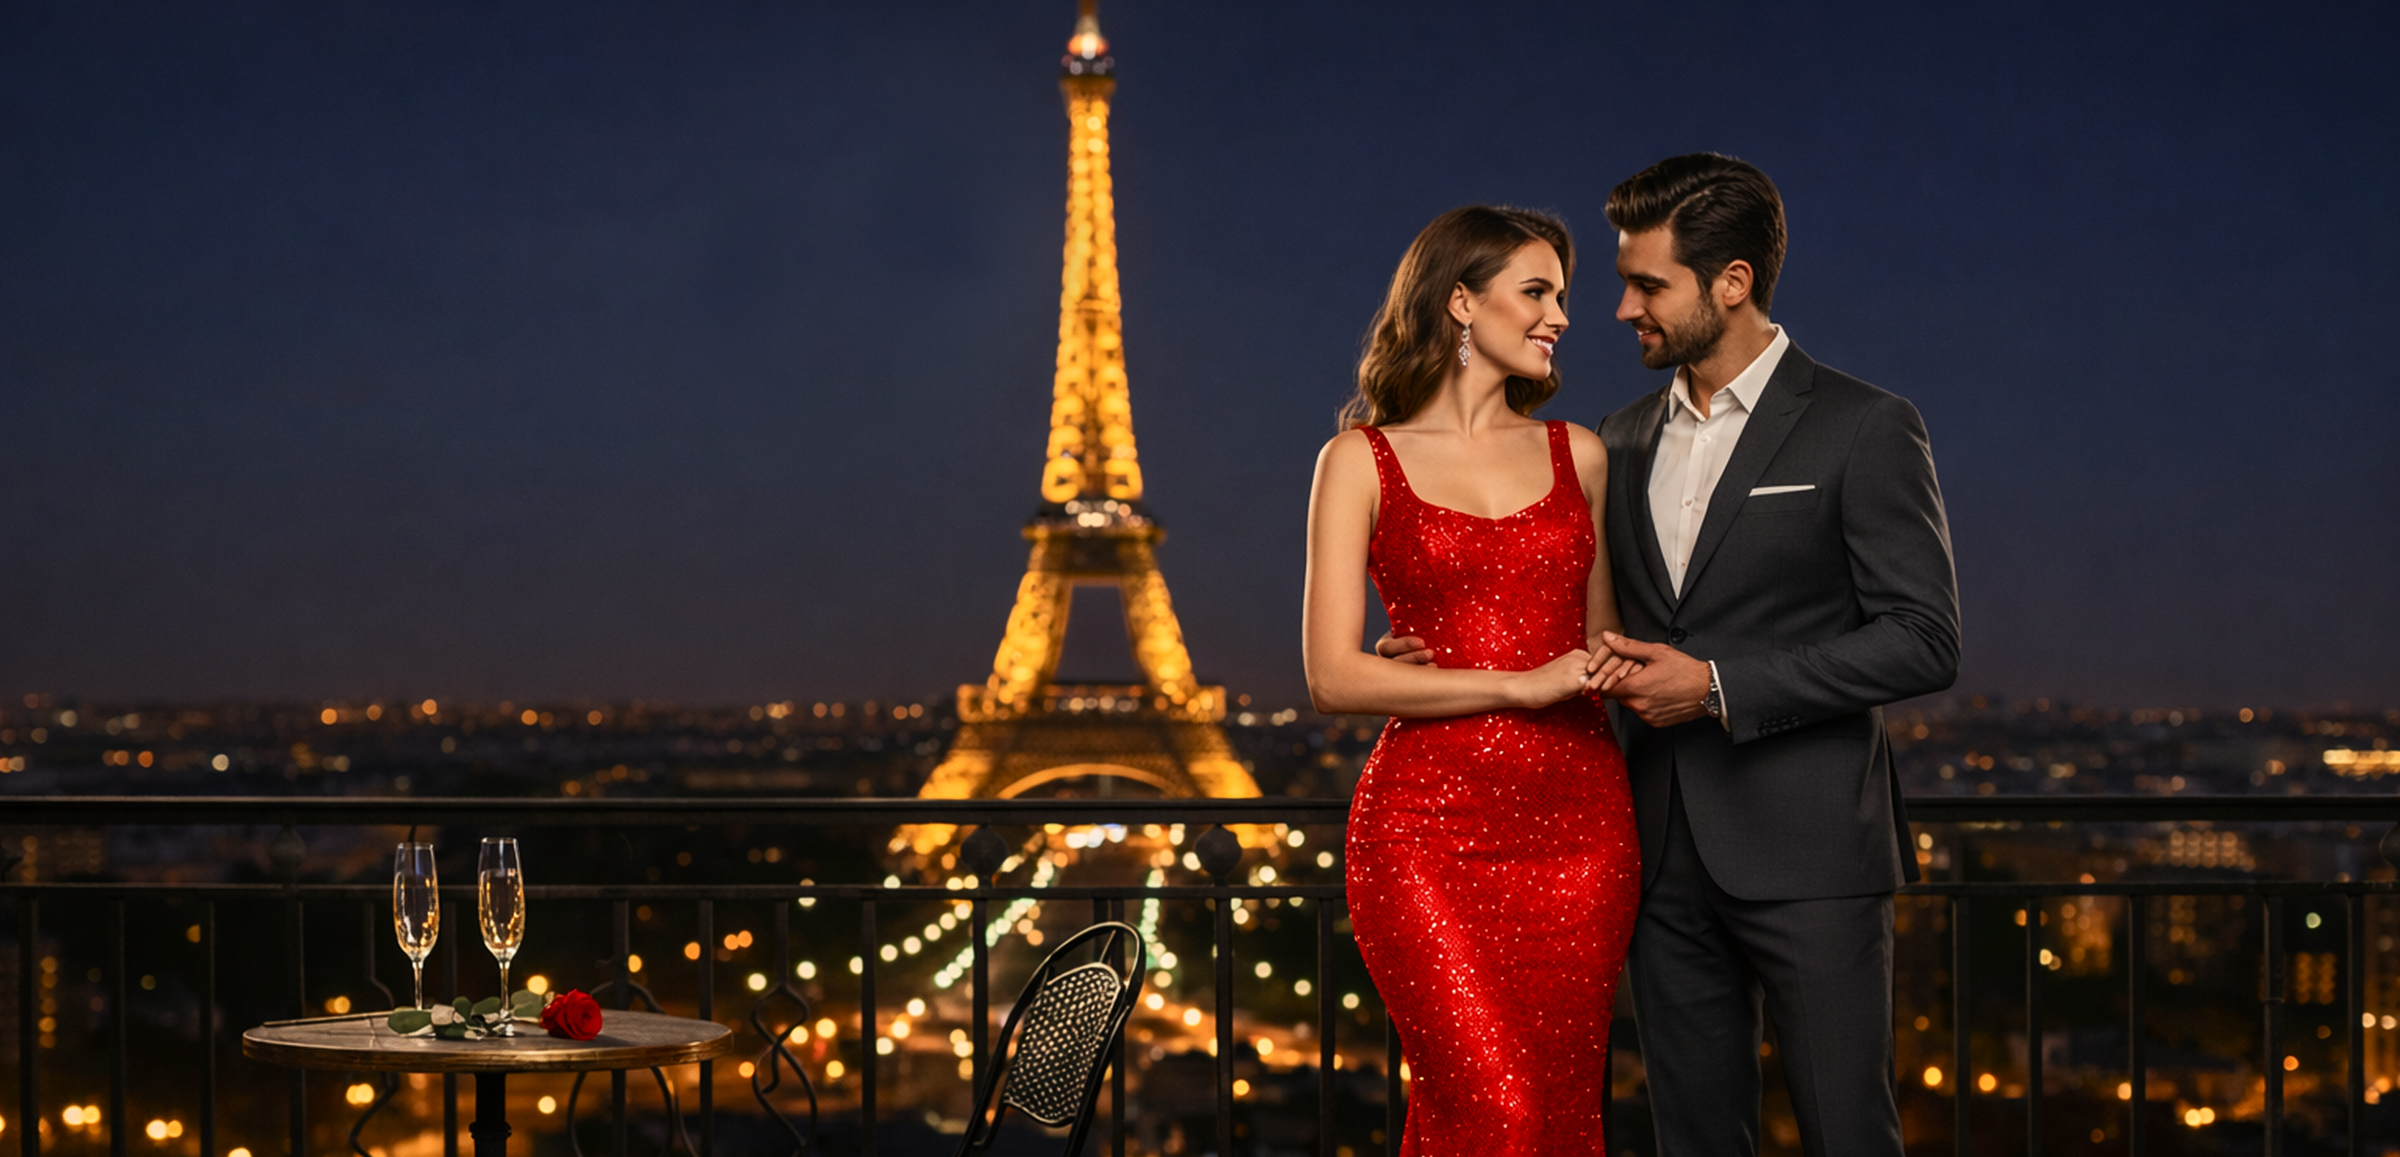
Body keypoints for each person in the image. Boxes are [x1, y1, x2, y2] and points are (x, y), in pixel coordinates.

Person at [1382, 154, 1961, 1156]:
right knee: (1691, 1138)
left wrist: (1720, 687)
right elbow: (1588, 627)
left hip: (1812, 857)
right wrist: (1439, 642)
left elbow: (1925, 637)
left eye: (1647, 285)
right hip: (1650, 855)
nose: (1619, 310)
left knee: (1847, 1133)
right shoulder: (1617, 440)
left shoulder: (1864, 426)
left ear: (1731, 282)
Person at [1303, 205, 1642, 1153]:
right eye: (1536, 291)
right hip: (1426, 833)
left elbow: (1601, 644)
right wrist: (1516, 684)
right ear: (1460, 301)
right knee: (1495, 1108)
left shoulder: (1581, 454)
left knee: (1561, 1114)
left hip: (1581, 828)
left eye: (1562, 296)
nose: (1561, 316)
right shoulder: (1358, 461)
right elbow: (1331, 678)